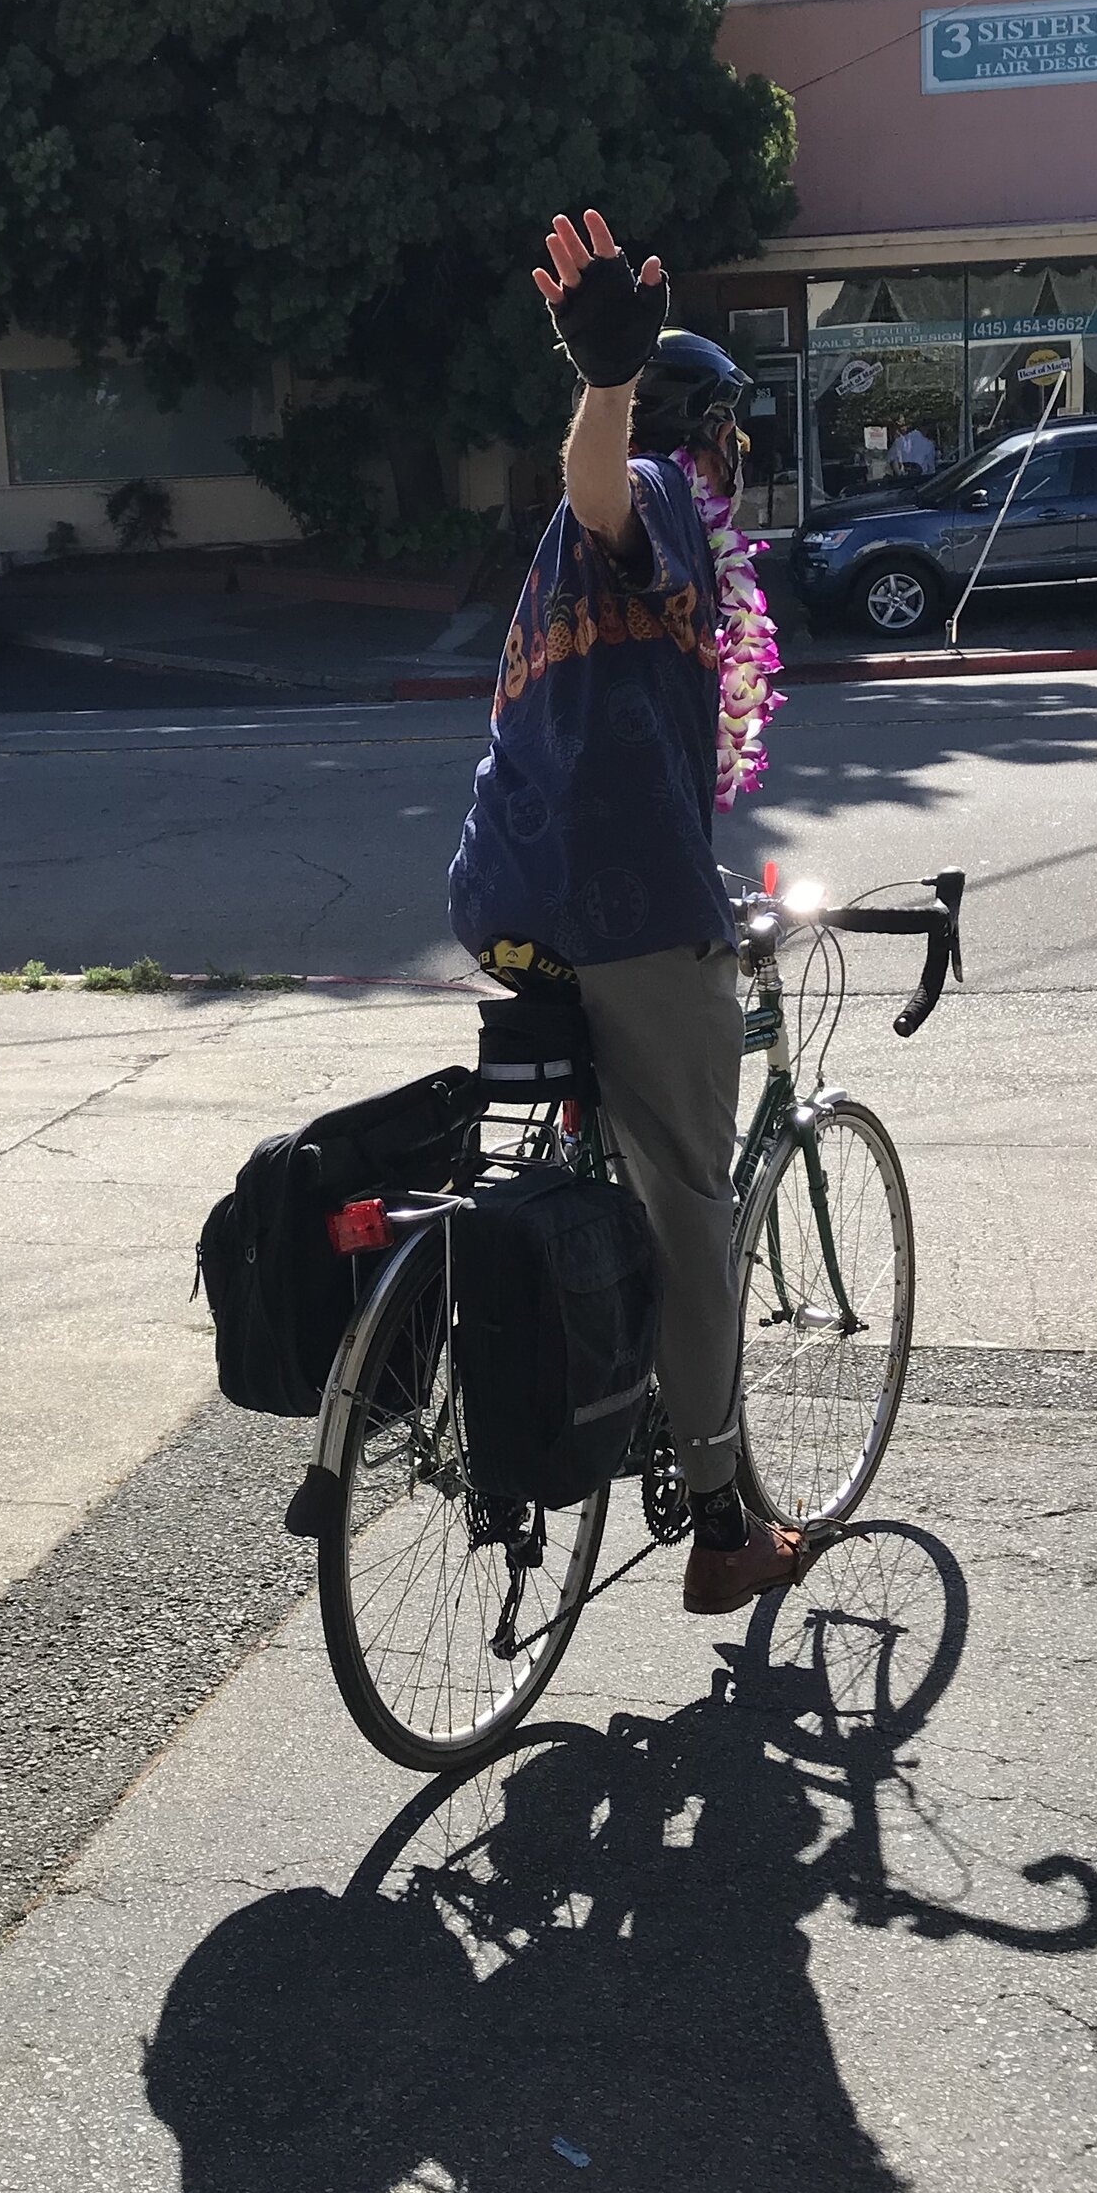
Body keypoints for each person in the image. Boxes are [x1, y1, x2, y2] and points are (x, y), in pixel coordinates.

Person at [448, 210, 799, 1612]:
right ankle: (720, 1522)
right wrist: (605, 383)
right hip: (628, 910)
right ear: (708, 437)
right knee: (696, 1207)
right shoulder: (652, 492)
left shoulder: (602, 560)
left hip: (505, 895)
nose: (735, 471)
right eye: (737, 444)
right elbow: (602, 478)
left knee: (619, 1155)